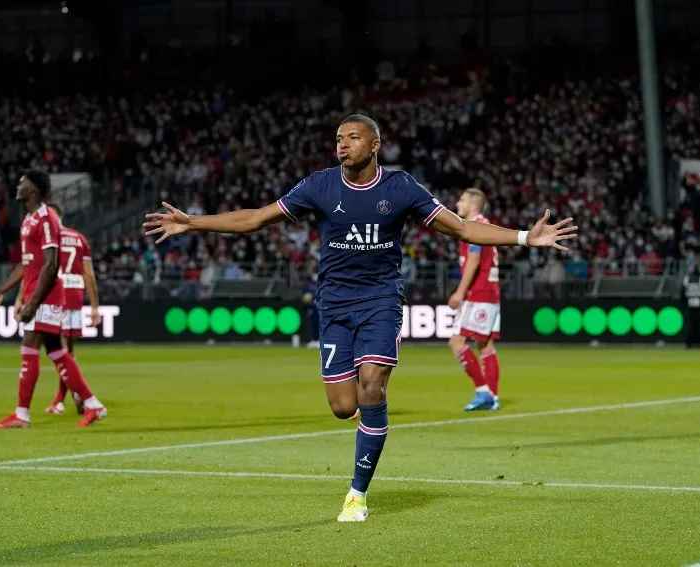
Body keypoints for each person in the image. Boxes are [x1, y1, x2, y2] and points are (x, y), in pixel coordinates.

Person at [144, 114, 577, 522]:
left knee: (372, 384)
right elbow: (257, 218)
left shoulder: (402, 187)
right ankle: (367, 415)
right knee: (342, 406)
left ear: (375, 145)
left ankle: (357, 493)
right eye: (338, 139)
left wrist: (524, 236)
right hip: (333, 306)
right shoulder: (320, 185)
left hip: (380, 302)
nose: (342, 145)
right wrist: (194, 222)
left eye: (352, 138)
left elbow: (462, 229)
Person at [0, 171, 107, 428]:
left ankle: (22, 414)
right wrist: (0, 291)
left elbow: (51, 265)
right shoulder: (29, 220)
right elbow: (25, 264)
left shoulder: (46, 218)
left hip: (46, 297)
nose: (17, 185)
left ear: (34, 190)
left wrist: (32, 304)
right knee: (58, 353)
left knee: (30, 349)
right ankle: (93, 405)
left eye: (22, 182)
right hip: (37, 295)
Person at [33, 203, 100, 415]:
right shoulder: (80, 238)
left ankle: (74, 396)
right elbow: (89, 275)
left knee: (58, 352)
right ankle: (63, 399)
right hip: (76, 296)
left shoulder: (50, 239)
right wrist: (95, 307)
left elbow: (40, 270)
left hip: (57, 296)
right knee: (68, 352)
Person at [447, 188, 502, 411]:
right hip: (491, 293)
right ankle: (493, 397)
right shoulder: (485, 224)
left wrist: (460, 291)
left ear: (472, 204)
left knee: (456, 342)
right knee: (486, 345)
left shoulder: (475, 226)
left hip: (478, 294)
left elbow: (474, 259)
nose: (458, 203)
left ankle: (482, 392)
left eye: (461, 200)